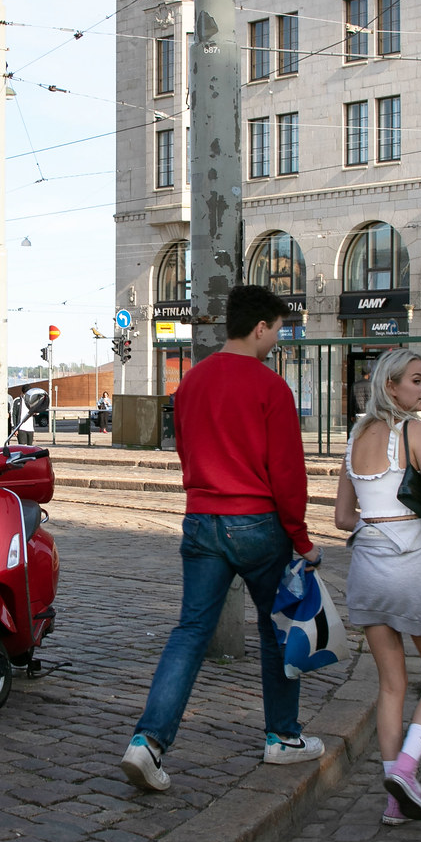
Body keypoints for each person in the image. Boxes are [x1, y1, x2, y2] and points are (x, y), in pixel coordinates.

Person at [120, 284, 325, 792]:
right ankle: (282, 737)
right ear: (260, 328)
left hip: (202, 518)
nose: (278, 339)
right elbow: (287, 475)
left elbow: (185, 453)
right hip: (258, 525)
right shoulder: (272, 388)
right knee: (277, 630)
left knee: (189, 632)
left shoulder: (191, 383)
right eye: (277, 330)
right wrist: (301, 539)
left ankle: (147, 743)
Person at [333, 348, 421, 827]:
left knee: (390, 685)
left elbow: (343, 517)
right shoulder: (414, 430)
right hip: (414, 571)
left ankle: (394, 802)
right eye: (417, 380)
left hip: (367, 572)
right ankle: (407, 770)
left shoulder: (355, 435)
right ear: (391, 386)